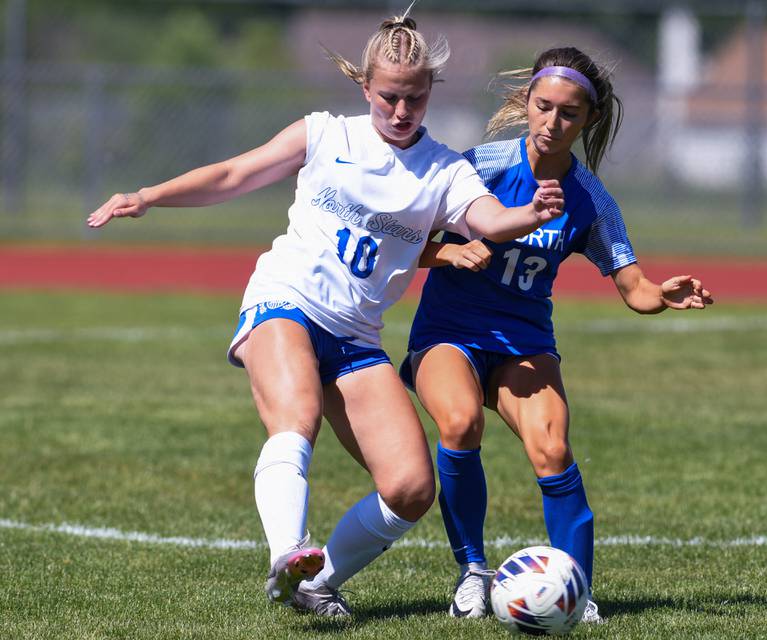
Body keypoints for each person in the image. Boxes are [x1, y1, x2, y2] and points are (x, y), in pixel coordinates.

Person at [86, 11, 567, 618]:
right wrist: (147, 197)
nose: (400, 110)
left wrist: (532, 213)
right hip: (287, 300)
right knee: (298, 413)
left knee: (412, 488)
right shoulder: (324, 134)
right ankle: (289, 551)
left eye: (414, 98)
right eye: (389, 96)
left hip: (357, 336)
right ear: (364, 86)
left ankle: (314, 584)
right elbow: (235, 173)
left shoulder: (444, 169)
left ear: (430, 94)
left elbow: (490, 218)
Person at [402, 46, 714, 623]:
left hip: (525, 342)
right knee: (460, 422)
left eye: (568, 113)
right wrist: (449, 252)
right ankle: (472, 572)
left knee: (553, 448)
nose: (552, 122)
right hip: (449, 332)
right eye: (543, 107)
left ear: (587, 119)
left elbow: (635, 286)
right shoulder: (480, 166)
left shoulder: (591, 200)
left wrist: (661, 297)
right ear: (527, 103)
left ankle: (577, 592)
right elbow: (407, 241)